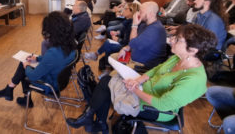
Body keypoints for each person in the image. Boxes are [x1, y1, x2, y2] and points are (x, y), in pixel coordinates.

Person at [67, 24, 215, 133]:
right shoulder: (178, 58)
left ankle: (93, 118)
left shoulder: (194, 79)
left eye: (178, 39)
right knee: (107, 82)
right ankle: (96, 120)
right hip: (145, 90)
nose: (172, 40)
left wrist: (135, 89)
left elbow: (162, 104)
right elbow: (157, 69)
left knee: (106, 86)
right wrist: (139, 80)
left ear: (193, 50)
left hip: (156, 109)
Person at [0, 11, 76, 107]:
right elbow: (52, 60)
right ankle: (12, 90)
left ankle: (16, 93)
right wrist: (37, 58)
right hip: (60, 80)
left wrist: (27, 66)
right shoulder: (70, 44)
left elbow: (32, 76)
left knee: (24, 68)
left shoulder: (53, 52)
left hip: (51, 85)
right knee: (25, 63)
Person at [85, 3, 139, 71]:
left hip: (125, 47)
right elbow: (123, 32)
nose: (123, 11)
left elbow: (127, 42)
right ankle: (106, 68)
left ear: (131, 11)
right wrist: (117, 33)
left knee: (108, 43)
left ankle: (96, 55)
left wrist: (118, 39)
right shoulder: (128, 21)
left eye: (125, 9)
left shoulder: (131, 24)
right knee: (108, 46)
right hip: (123, 43)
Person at [118, 1, 167, 69]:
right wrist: (126, 48)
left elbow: (132, 43)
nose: (137, 14)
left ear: (150, 14)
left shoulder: (155, 29)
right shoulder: (144, 24)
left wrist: (134, 25)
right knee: (112, 57)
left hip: (142, 65)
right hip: (132, 58)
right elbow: (133, 42)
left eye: (141, 11)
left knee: (112, 75)